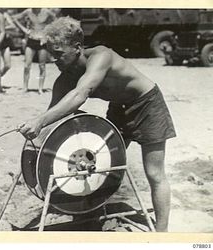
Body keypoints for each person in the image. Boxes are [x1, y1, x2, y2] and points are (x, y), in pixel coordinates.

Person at [19, 17, 176, 232]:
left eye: (58, 53)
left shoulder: (101, 56)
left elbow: (81, 94)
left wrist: (39, 121)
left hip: (147, 104)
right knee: (99, 163)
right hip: (119, 108)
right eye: (51, 54)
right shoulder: (64, 80)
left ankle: (162, 233)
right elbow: (53, 119)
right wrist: (32, 144)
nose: (54, 60)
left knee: (155, 173)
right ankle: (92, 214)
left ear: (77, 48)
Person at [13, 8, 56, 94]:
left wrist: (48, 34)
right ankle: (25, 87)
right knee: (26, 65)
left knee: (42, 66)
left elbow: (56, 21)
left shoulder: (46, 12)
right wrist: (25, 30)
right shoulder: (28, 11)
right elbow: (15, 18)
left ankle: (40, 88)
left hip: (42, 40)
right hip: (31, 39)